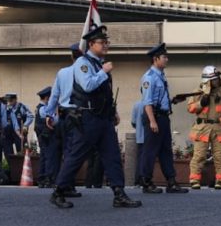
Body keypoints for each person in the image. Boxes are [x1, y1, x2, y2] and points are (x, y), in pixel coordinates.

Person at [49, 25, 141, 209]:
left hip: (103, 118)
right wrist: (103, 72)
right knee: (76, 155)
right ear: (91, 44)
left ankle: (119, 193)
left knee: (112, 156)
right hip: (87, 118)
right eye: (102, 42)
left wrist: (112, 111)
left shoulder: (99, 63)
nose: (106, 45)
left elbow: (104, 92)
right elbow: (88, 86)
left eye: (107, 42)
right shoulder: (83, 63)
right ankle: (58, 191)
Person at [138, 43, 189, 194]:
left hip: (163, 117)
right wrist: (152, 121)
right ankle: (146, 182)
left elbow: (158, 98)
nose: (167, 59)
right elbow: (147, 102)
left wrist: (173, 101)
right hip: (154, 117)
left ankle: (171, 182)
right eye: (164, 57)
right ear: (155, 59)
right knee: (150, 151)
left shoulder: (160, 76)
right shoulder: (149, 78)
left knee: (166, 150)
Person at [41, 43, 87, 198]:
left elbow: (54, 95)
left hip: (64, 115)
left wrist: (48, 115)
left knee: (68, 151)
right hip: (81, 116)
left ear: (71, 56)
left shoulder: (62, 72)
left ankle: (66, 185)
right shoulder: (86, 72)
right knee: (73, 152)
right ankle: (66, 186)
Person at [186, 66, 221, 190]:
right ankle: (194, 179)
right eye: (214, 79)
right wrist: (201, 102)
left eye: (217, 78)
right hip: (202, 127)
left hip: (218, 127)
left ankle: (220, 180)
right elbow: (190, 108)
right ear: (207, 80)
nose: (217, 80)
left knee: (219, 156)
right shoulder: (198, 91)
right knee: (199, 155)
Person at [34, 86, 55, 188]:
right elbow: (52, 120)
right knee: (48, 157)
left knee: (43, 156)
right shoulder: (44, 109)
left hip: (43, 136)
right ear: (47, 98)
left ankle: (42, 178)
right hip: (46, 136)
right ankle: (47, 178)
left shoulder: (39, 108)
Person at [4, 93, 33, 159]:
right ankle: (12, 167)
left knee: (21, 151)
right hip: (9, 133)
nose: (9, 103)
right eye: (8, 101)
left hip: (20, 132)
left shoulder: (22, 107)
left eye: (11, 101)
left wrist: (25, 125)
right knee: (8, 152)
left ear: (15, 99)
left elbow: (30, 116)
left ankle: (22, 166)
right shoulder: (7, 108)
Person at [130, 99, 146, 187]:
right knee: (147, 159)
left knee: (140, 158)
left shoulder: (136, 105)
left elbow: (133, 122)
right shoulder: (152, 104)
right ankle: (145, 179)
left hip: (140, 137)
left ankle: (137, 180)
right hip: (149, 137)